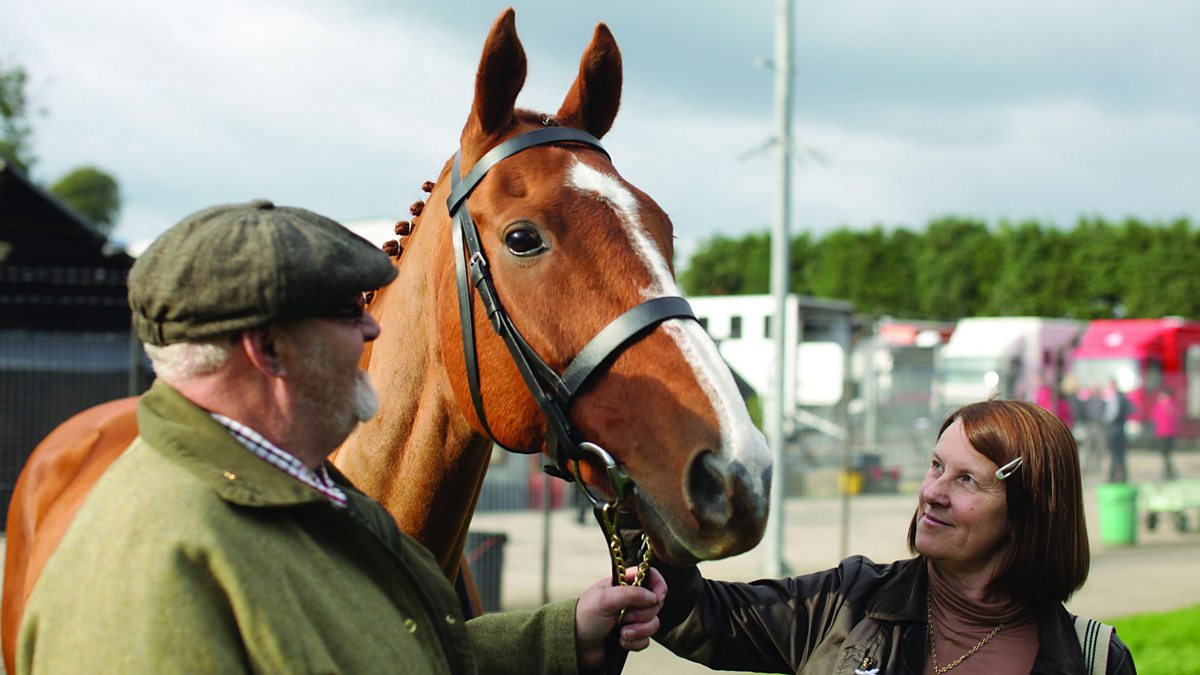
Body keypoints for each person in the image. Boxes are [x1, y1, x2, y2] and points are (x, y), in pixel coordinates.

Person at [17, 200, 665, 674]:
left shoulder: (300, 482)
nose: (373, 331)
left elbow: (379, 649)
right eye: (347, 311)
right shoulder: (154, 566)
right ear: (268, 348)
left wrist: (561, 637)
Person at [652, 399, 1135, 673]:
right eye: (936, 466)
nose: (932, 493)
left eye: (967, 480)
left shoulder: (1094, 660)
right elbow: (700, 615)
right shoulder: (847, 604)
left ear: (1030, 512)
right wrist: (646, 490)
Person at [1099, 379, 1134, 483]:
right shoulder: (1122, 397)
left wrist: (1104, 421)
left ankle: (1114, 477)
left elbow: (1111, 415)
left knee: (1114, 454)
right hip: (1120, 428)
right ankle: (1122, 476)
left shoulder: (1115, 398)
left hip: (1114, 429)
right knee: (1120, 454)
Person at [1150, 388, 1179, 481]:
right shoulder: (1163, 405)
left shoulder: (1168, 405)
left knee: (1166, 453)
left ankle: (1169, 471)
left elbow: (1157, 416)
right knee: (1165, 454)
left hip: (1166, 432)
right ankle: (1168, 470)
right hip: (1164, 432)